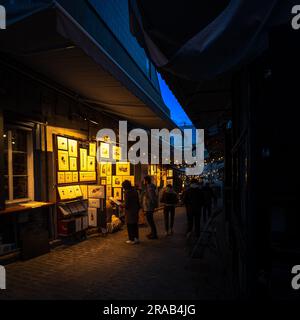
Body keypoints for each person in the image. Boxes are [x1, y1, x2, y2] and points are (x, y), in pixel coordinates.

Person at [122, 180, 140, 244]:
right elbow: (138, 201)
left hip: (129, 211)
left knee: (130, 225)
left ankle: (131, 239)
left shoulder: (127, 193)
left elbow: (127, 204)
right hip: (135, 210)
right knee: (135, 225)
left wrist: (122, 205)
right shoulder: (135, 191)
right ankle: (136, 238)